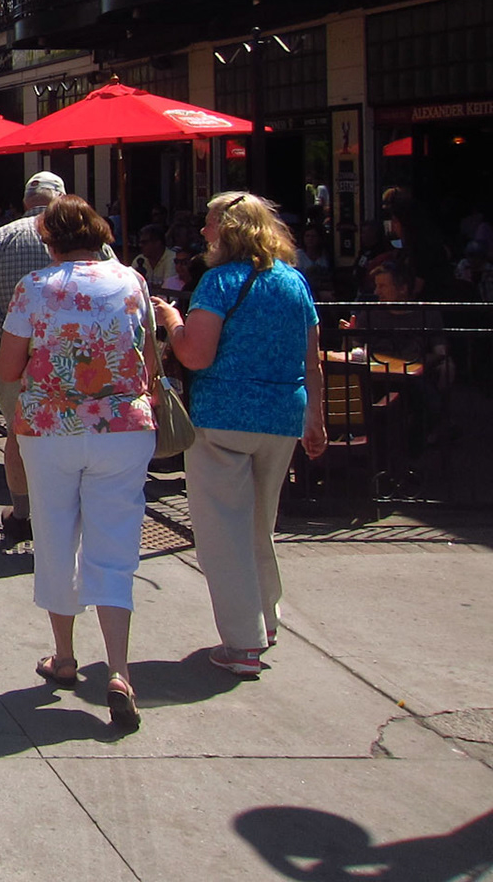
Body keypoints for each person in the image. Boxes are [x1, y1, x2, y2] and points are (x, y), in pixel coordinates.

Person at [0, 196, 156, 732]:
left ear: (50, 239)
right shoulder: (131, 281)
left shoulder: (35, 288)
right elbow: (148, 359)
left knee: (56, 535)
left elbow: (9, 364)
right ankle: (118, 670)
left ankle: (64, 654)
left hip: (51, 429)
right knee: (114, 545)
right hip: (123, 430)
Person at [152, 193, 327, 678]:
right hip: (282, 418)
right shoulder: (294, 282)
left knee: (222, 534)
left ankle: (243, 643)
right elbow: (310, 359)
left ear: (227, 230)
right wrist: (315, 418)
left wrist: (170, 320)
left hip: (224, 417)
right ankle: (265, 621)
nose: (203, 233)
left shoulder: (218, 282)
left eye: (209, 225)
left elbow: (195, 355)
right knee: (258, 526)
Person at [0, 171, 76, 543]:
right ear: (61, 198)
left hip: (17, 354)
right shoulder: (84, 239)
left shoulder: (1, 237)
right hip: (79, 356)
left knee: (18, 434)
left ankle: (23, 513)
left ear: (26, 201)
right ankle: (66, 508)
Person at [131, 223, 177, 291]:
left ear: (157, 243)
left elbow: (168, 290)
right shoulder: (139, 260)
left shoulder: (173, 259)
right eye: (140, 243)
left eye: (144, 242)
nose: (140, 245)